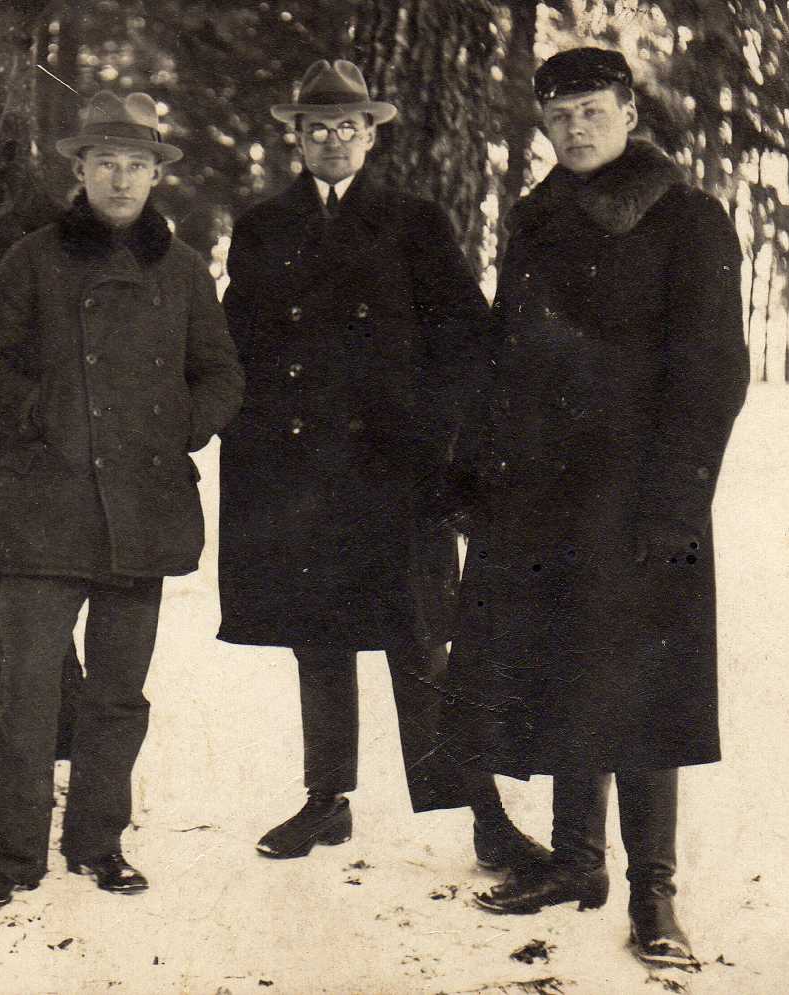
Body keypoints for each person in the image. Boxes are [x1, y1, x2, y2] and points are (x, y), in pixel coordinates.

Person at [440, 47, 750, 968]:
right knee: (559, 666)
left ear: (628, 112)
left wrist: (677, 502)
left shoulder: (686, 219)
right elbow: (505, 355)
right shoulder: (536, 221)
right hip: (538, 495)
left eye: (593, 109)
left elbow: (712, 374)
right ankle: (576, 861)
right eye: (560, 113)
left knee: (646, 686)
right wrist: (475, 469)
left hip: (640, 497)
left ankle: (654, 890)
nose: (576, 127)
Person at [216, 58, 547, 873]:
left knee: (422, 644)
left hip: (394, 475)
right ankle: (325, 800)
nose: (333, 141)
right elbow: (237, 347)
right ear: (295, 137)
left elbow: (467, 341)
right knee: (318, 641)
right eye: (317, 128)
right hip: (300, 476)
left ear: (372, 135)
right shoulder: (262, 227)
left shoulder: (415, 221)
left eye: (349, 127)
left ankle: (481, 811)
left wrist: (433, 441)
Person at [0, 91, 244, 909]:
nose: (122, 179)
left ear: (157, 175)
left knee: (119, 692)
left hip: (140, 511)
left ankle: (99, 842)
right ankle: (10, 858)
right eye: (106, 163)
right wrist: (38, 413)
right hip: (43, 508)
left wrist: (178, 424)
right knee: (28, 692)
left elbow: (223, 374)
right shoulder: (35, 259)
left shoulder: (184, 271)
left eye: (138, 165)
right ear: (78, 171)